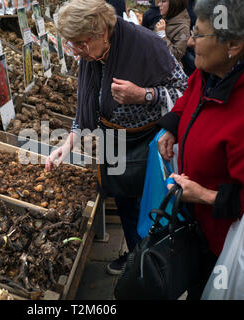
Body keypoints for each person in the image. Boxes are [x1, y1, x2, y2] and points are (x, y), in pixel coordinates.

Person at [157, 0, 244, 299]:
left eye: (199, 33)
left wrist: (205, 196)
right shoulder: (218, 69)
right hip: (205, 230)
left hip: (233, 247)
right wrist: (173, 123)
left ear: (233, 43)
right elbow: (194, 89)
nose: (191, 41)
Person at [45, 0, 188, 275]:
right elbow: (87, 107)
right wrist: (67, 144)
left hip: (147, 139)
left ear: (101, 32)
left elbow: (185, 93)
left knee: (149, 204)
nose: (76, 51)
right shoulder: (90, 54)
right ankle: (136, 255)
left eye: (81, 43)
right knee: (123, 199)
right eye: (71, 44)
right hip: (112, 137)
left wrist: (144, 95)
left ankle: (154, 264)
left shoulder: (147, 45)